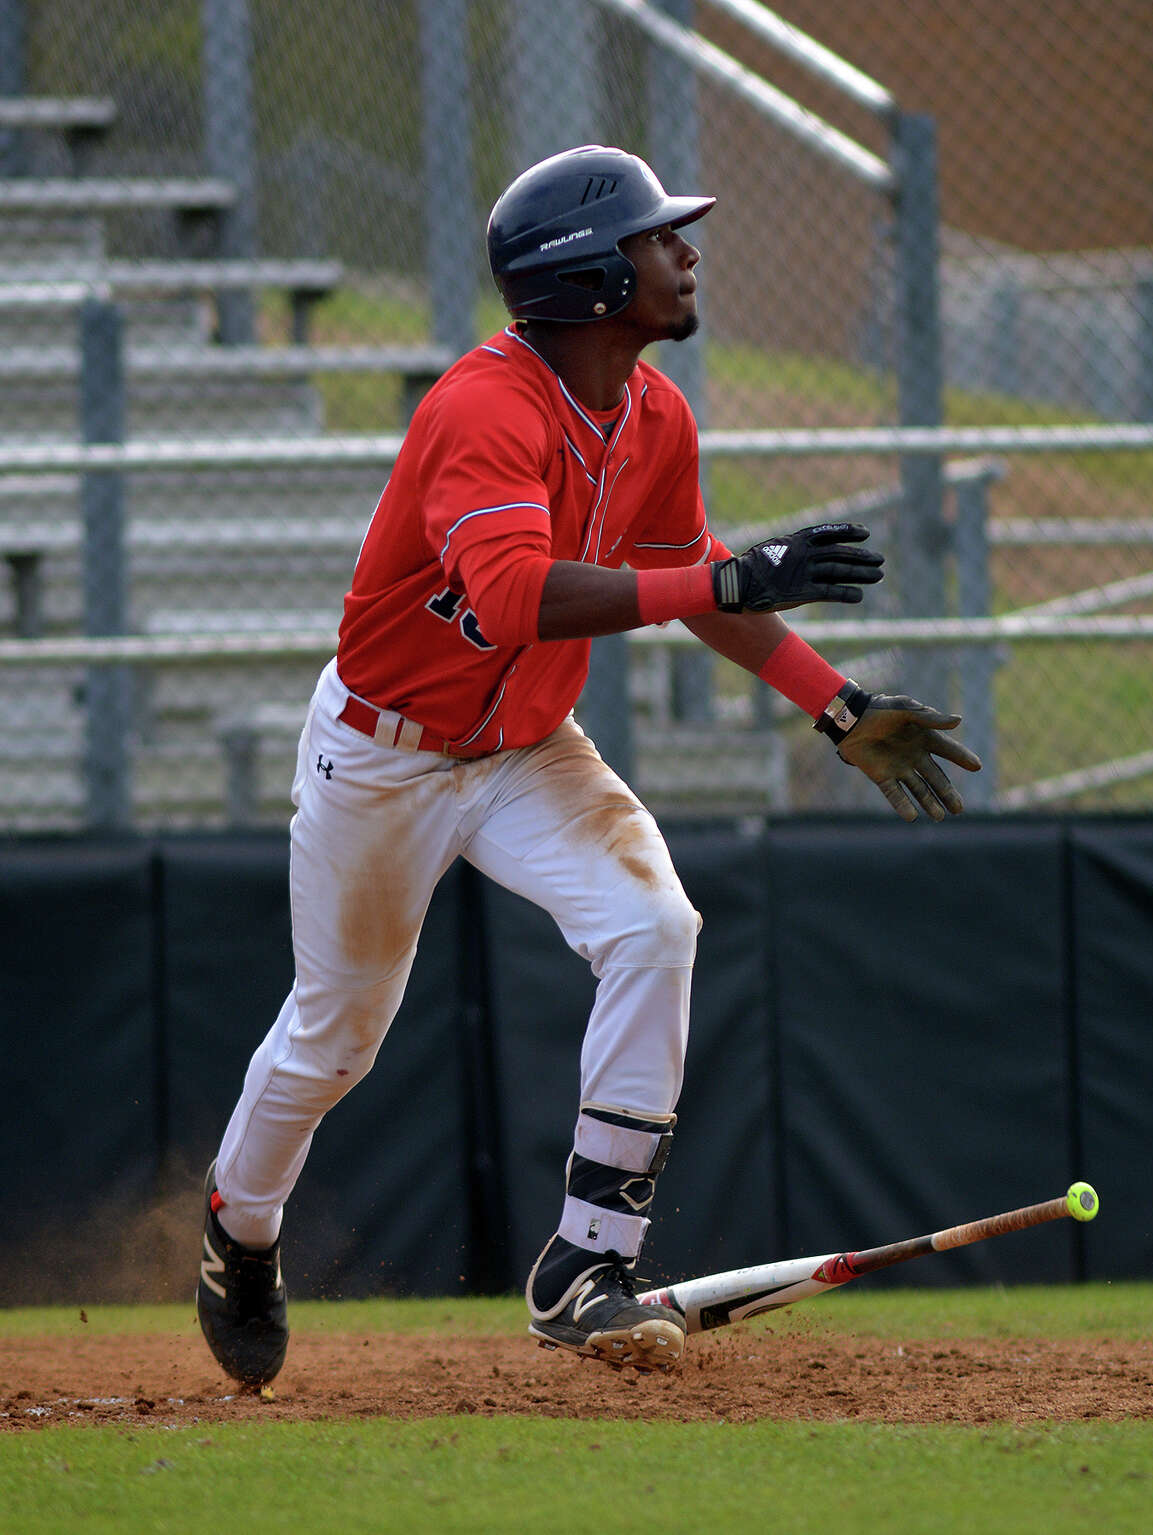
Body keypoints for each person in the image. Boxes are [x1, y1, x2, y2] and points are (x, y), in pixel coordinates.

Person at [196, 144, 981, 1384]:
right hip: (385, 752)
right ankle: (240, 1227)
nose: (686, 250)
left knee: (654, 924)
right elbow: (510, 597)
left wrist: (836, 704)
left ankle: (586, 1265)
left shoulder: (657, 415)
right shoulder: (482, 405)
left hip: (524, 748)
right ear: (587, 272)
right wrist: (719, 574)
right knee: (336, 1035)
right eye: (658, 235)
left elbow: (699, 586)